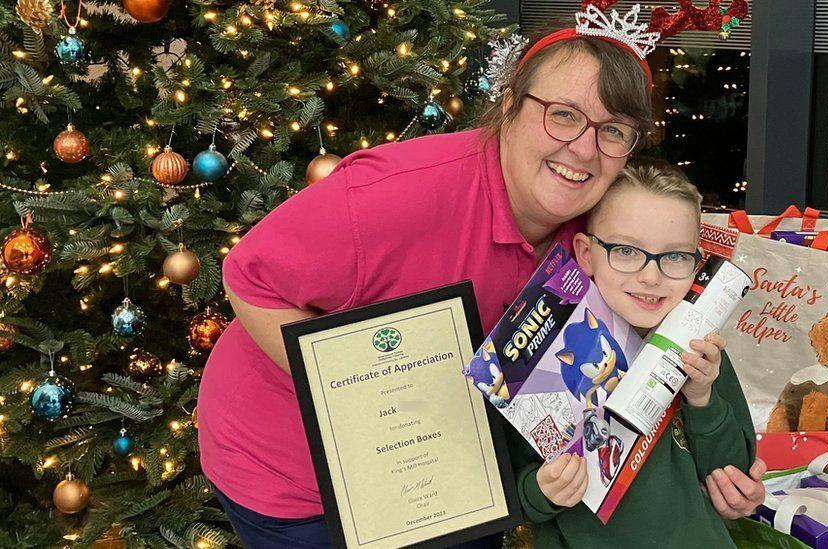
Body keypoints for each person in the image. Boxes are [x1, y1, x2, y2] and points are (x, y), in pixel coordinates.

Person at [197, 13, 767, 548]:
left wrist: (729, 458)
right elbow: (249, 277)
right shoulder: (394, 196)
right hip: (302, 478)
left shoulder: (602, 222)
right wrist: (370, 401)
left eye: (614, 130)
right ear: (510, 105)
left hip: (466, 475)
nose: (584, 148)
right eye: (563, 114)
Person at [510, 162, 755, 547]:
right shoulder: (539, 358)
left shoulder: (700, 352)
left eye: (674, 256)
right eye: (626, 251)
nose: (651, 277)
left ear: (697, 262)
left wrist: (703, 398)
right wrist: (542, 491)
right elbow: (512, 491)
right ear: (587, 254)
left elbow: (733, 474)